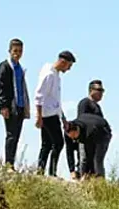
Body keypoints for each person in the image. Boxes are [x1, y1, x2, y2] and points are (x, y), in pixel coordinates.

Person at [35, 50, 76, 178]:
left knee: (47, 144)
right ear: (63, 62)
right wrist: (39, 116)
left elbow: (55, 99)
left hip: (54, 113)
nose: (68, 69)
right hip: (47, 115)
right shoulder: (49, 74)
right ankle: (51, 172)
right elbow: (39, 95)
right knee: (58, 143)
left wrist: (62, 117)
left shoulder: (56, 74)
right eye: (68, 66)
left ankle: (40, 171)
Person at [0, 38, 30, 170]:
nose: (17, 53)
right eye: (15, 51)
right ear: (9, 51)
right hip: (10, 106)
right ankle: (8, 164)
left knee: (16, 136)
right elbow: (0, 86)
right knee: (10, 135)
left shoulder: (20, 68)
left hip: (20, 106)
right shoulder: (5, 66)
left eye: (20, 51)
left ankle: (12, 164)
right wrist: (3, 106)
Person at [65, 113, 112, 180]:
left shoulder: (89, 133)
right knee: (84, 159)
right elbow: (69, 151)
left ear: (77, 130)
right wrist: (71, 170)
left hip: (103, 132)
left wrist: (86, 174)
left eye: (74, 136)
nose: (73, 139)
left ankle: (100, 180)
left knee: (97, 159)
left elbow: (89, 155)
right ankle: (85, 177)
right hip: (90, 125)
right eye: (71, 137)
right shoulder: (67, 132)